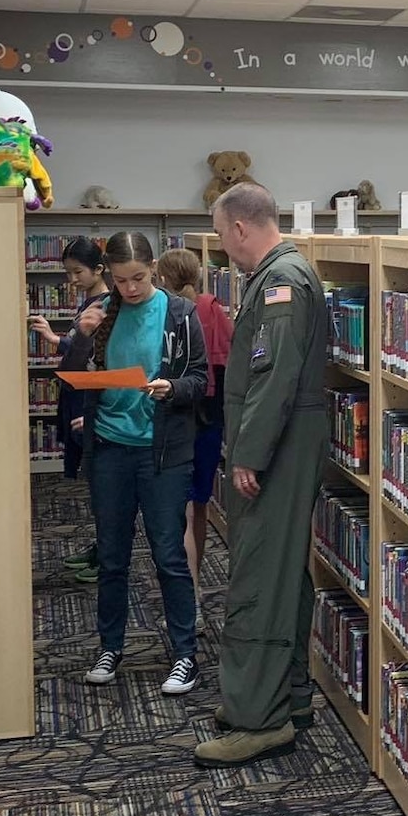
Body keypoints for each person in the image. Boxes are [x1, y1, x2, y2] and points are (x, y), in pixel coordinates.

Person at [196, 183, 330, 768]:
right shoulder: (283, 274)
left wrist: (247, 453)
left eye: (223, 237)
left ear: (241, 229)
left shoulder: (282, 285)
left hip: (277, 451)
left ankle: (259, 718)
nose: (224, 250)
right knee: (279, 573)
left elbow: (272, 379)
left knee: (258, 576)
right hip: (286, 446)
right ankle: (288, 695)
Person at [80, 231, 210, 697]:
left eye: (137, 278)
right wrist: (83, 339)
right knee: (111, 556)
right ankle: (109, 646)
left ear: (153, 268)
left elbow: (200, 379)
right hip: (110, 448)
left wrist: (171, 389)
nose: (129, 289)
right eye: (119, 280)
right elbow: (83, 375)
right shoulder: (101, 313)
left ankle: (184, 654)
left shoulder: (180, 313)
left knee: (169, 555)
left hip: (162, 452)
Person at [30, 235, 109, 582]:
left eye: (78, 273)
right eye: (68, 273)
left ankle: (106, 554)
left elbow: (93, 355)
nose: (71, 280)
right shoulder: (89, 302)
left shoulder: (105, 305)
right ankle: (100, 547)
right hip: (76, 393)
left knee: (100, 480)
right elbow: (79, 346)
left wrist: (60, 341)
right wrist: (55, 339)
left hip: (89, 397)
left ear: (99, 269)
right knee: (91, 481)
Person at [154, 247, 234, 589]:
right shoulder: (212, 309)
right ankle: (196, 582)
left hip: (173, 420)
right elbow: (232, 361)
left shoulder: (164, 313)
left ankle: (184, 590)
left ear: (161, 279)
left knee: (174, 509)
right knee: (197, 507)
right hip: (209, 422)